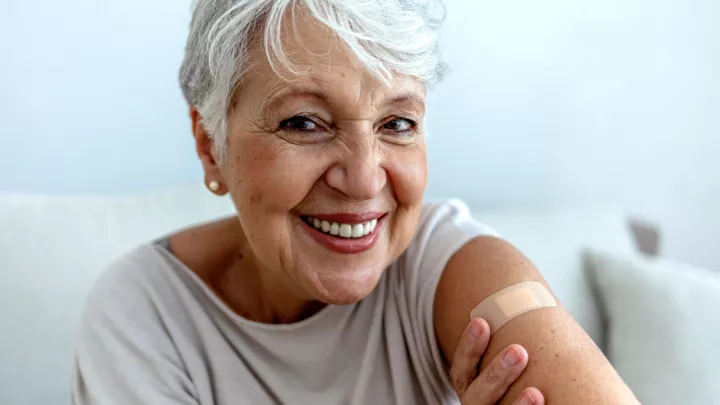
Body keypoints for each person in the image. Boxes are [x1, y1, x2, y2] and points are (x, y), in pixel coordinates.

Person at [71, 1, 639, 404]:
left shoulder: (456, 270)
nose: (366, 180)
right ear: (209, 145)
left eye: (397, 122)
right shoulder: (143, 314)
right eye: (304, 122)